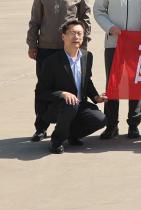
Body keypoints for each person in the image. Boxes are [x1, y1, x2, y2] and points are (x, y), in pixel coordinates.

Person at [26, 0, 91, 142]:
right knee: (44, 88)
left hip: (70, 49)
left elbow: (85, 20)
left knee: (73, 87)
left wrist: (83, 45)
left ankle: (71, 127)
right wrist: (32, 44)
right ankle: (41, 127)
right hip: (47, 48)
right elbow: (35, 21)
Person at [93, 0, 141, 140]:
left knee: (136, 84)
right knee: (113, 84)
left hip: (138, 46)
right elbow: (99, 10)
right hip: (114, 44)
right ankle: (111, 125)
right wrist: (110, 28)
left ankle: (134, 124)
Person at [35, 19, 107, 154]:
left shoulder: (87, 56)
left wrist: (96, 97)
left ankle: (72, 135)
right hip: (55, 106)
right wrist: (62, 93)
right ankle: (56, 141)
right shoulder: (51, 61)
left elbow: (87, 81)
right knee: (70, 103)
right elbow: (41, 92)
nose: (76, 37)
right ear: (63, 36)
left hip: (78, 104)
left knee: (100, 119)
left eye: (79, 33)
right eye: (72, 33)